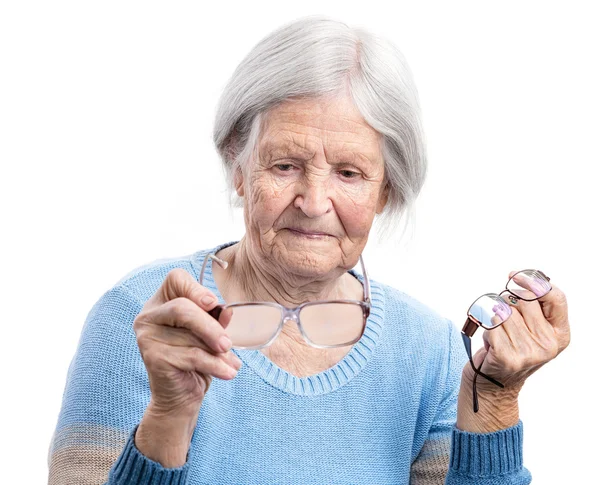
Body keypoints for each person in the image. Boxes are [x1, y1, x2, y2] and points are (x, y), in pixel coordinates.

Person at [47, 15, 570, 485]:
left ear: (386, 190)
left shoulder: (429, 351)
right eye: (285, 165)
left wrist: (496, 397)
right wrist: (168, 418)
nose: (315, 202)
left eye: (349, 173)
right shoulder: (143, 318)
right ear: (238, 166)